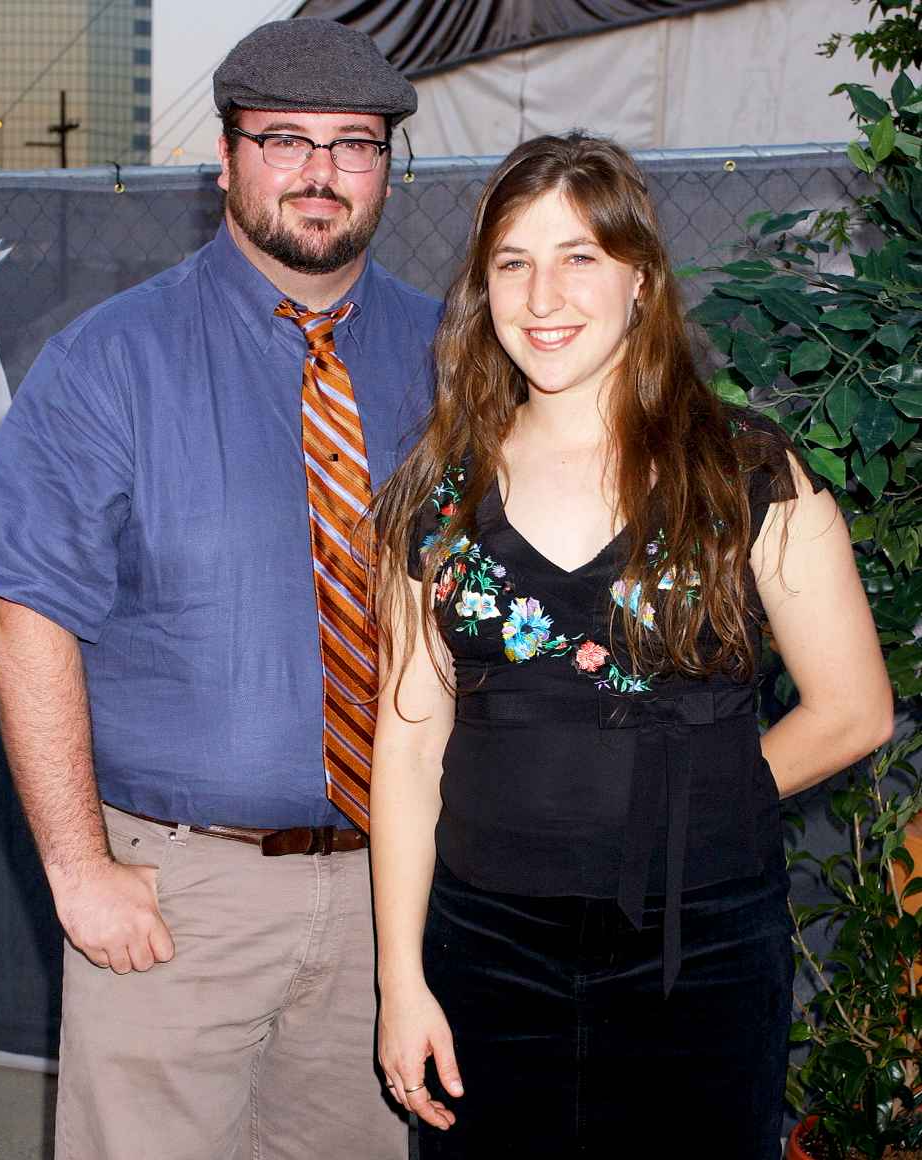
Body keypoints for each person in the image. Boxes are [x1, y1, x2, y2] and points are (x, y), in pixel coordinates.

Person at [0, 18, 439, 1160]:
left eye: (352, 144)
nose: (318, 173)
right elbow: (25, 615)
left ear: (384, 168)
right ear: (225, 158)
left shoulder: (450, 355)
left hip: (395, 891)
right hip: (176, 895)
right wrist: (81, 869)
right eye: (284, 139)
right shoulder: (109, 359)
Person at [368, 133, 892, 1158]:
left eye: (579, 257)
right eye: (512, 262)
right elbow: (406, 748)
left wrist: (689, 803)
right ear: (482, 290)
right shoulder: (436, 496)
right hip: (486, 952)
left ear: (639, 279)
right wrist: (400, 983)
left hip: (696, 952)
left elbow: (854, 709)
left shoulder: (744, 474)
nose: (543, 294)